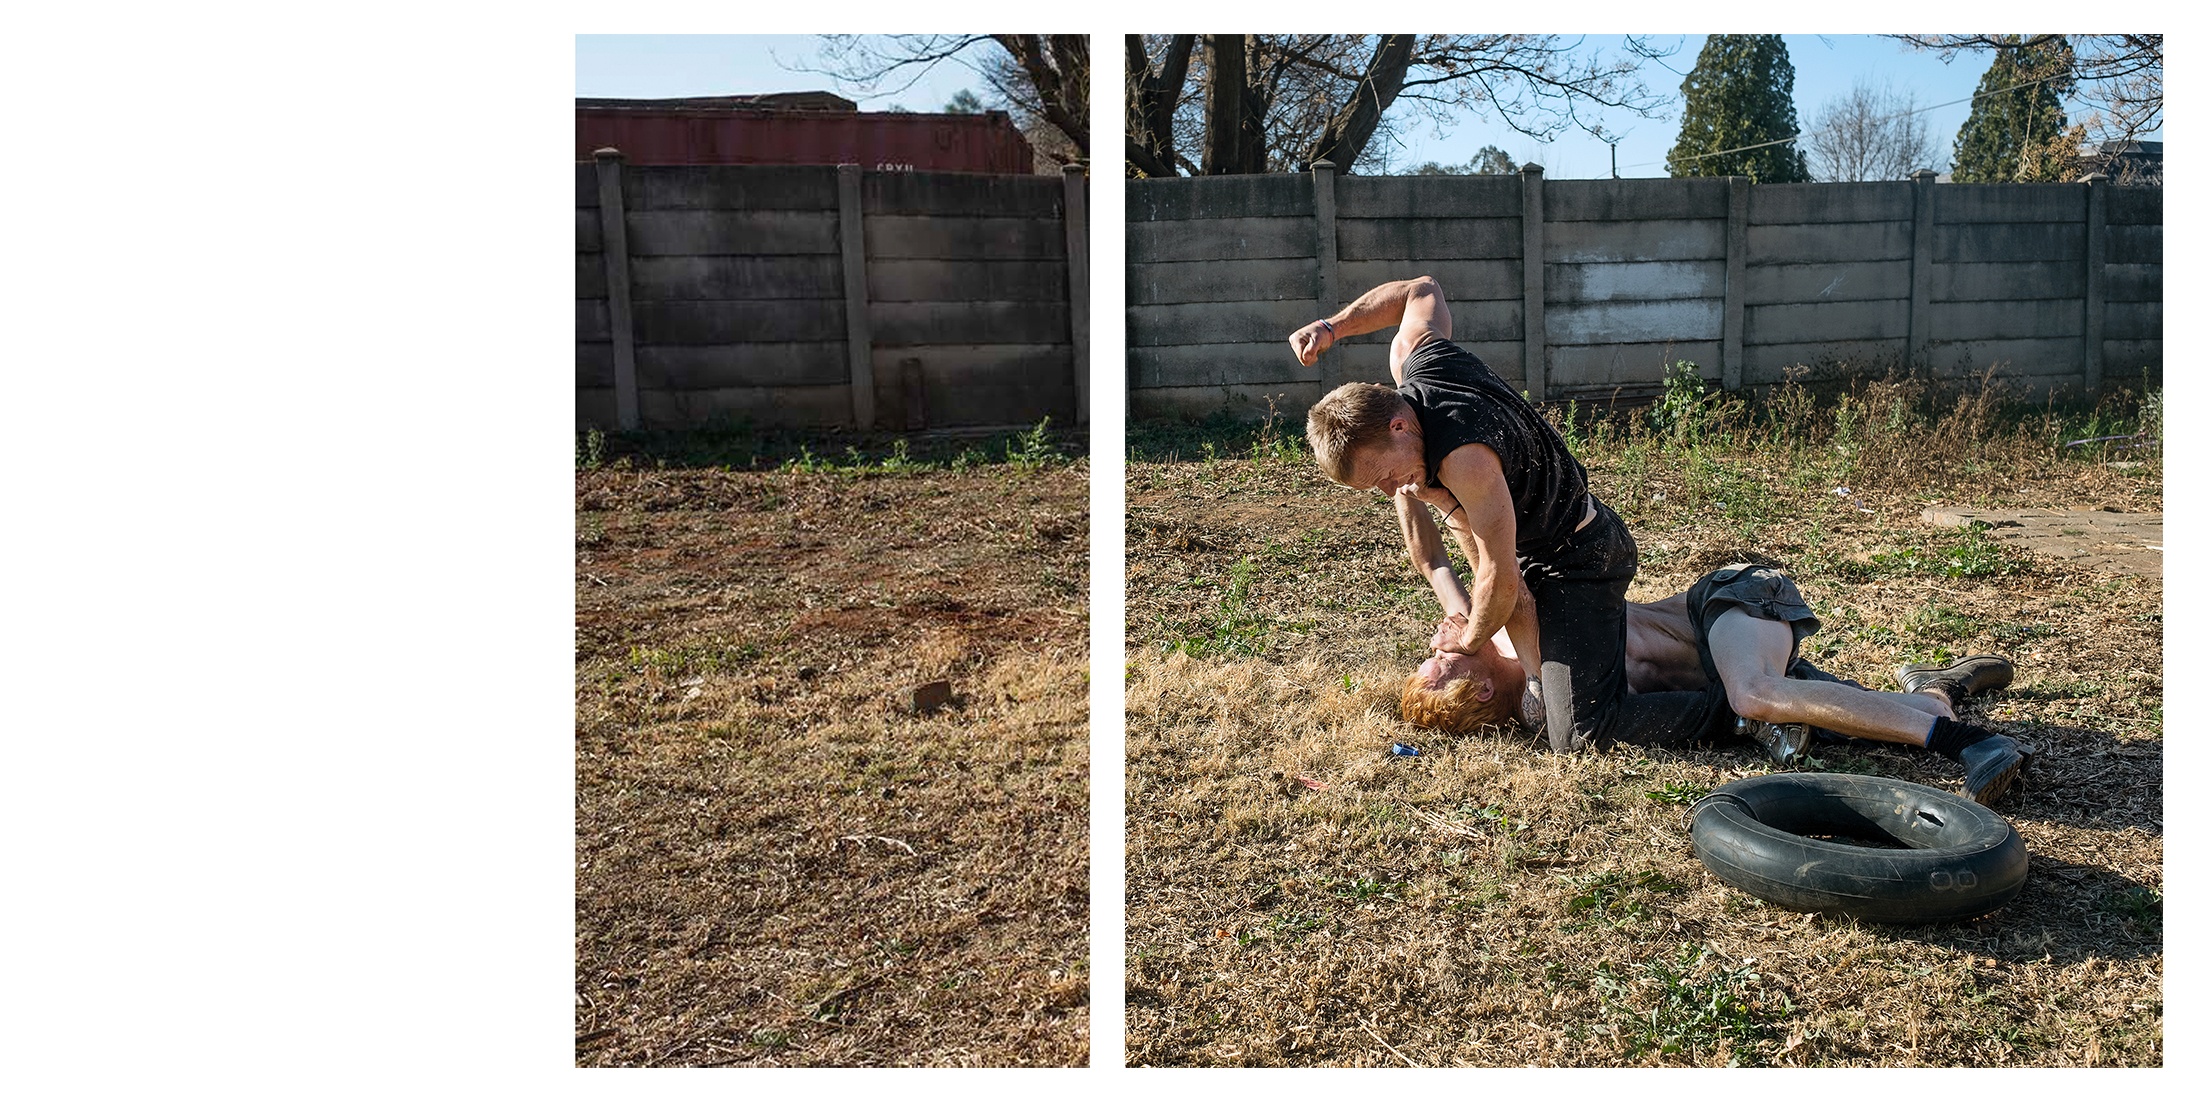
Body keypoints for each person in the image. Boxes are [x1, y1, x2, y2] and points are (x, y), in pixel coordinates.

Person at [1297, 275, 1720, 754]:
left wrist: (1469, 639)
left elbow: (1501, 581)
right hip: (1541, 555)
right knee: (1582, 706)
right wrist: (1332, 328)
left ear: (1398, 426)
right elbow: (1421, 290)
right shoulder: (1417, 358)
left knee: (1583, 733)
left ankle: (1737, 710)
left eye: (1383, 475)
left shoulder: (1465, 461)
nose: (1392, 489)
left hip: (1578, 556)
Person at [1401, 561, 2031, 805]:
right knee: (1833, 714)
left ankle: (1965, 744)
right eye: (1439, 660)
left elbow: (1433, 561)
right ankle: (1935, 689)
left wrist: (1408, 485)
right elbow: (1494, 563)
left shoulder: (1501, 632)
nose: (1438, 641)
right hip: (1740, 669)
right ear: (1479, 690)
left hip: (1729, 603)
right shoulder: (1543, 687)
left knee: (1752, 694)